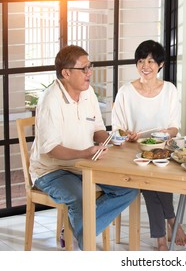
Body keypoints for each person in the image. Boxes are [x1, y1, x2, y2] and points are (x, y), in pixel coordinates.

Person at [29, 45, 138, 250]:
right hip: (52, 171)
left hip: (84, 165)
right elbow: (52, 149)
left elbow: (98, 130)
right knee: (80, 197)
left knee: (129, 188)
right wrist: (86, 153)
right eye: (84, 68)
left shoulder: (88, 94)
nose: (90, 73)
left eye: (90, 67)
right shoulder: (50, 100)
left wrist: (115, 139)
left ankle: (77, 230)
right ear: (66, 73)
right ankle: (85, 245)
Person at [111, 40, 186, 251]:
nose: (145, 66)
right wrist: (127, 135)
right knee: (150, 182)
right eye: (141, 61)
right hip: (133, 153)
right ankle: (169, 226)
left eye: (151, 61)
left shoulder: (169, 90)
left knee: (155, 180)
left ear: (161, 64)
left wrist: (166, 133)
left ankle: (162, 235)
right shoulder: (126, 91)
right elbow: (117, 128)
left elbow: (174, 127)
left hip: (163, 149)